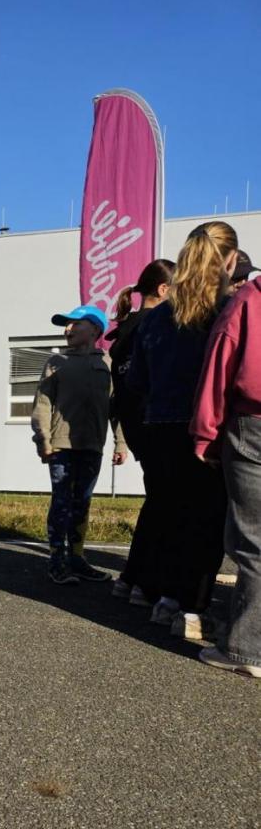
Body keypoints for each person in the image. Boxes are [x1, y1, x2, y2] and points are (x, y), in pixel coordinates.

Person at [126, 221, 236, 627]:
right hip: (205, 426)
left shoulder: (154, 319)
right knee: (205, 520)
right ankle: (190, 609)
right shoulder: (227, 308)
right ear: (230, 259)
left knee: (166, 511)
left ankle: (158, 595)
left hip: (157, 425)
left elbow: (137, 380)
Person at [191, 272, 261, 673]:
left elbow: (220, 363)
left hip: (253, 421)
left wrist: (205, 434)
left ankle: (247, 649)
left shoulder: (249, 299)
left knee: (252, 540)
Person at [31, 305, 126, 584]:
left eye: (75, 324)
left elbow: (116, 408)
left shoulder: (108, 365)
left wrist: (121, 443)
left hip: (92, 446)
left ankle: (76, 556)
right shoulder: (56, 363)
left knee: (82, 502)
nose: (67, 329)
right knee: (62, 501)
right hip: (60, 446)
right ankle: (57, 560)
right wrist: (43, 439)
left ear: (95, 330)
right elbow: (42, 405)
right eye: (66, 324)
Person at [106, 259, 175, 602]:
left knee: (157, 501)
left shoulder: (127, 327)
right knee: (166, 504)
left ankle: (132, 580)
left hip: (136, 427)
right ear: (164, 290)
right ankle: (145, 584)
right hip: (155, 425)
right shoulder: (156, 325)